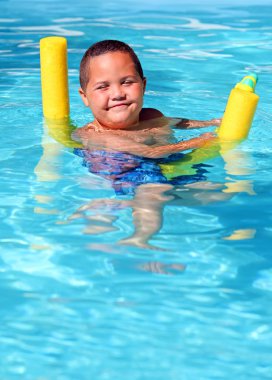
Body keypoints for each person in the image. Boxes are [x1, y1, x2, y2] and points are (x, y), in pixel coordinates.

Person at [71, 40, 223, 249]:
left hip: (162, 165)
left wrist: (210, 123)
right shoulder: (99, 135)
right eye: (103, 86)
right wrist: (199, 141)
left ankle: (128, 204)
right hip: (124, 169)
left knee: (214, 191)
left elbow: (178, 122)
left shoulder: (152, 115)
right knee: (152, 190)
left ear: (143, 85)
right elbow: (149, 152)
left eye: (127, 82)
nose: (117, 94)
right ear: (84, 96)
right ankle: (139, 239)